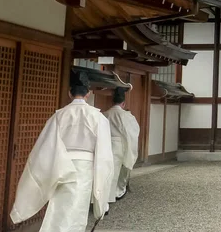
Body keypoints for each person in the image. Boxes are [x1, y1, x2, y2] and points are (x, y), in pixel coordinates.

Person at [10, 69, 114, 232]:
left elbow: (45, 148)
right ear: (88, 94)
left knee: (59, 207)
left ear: (69, 93)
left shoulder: (59, 116)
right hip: (85, 169)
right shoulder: (98, 118)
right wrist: (101, 192)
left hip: (60, 166)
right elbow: (105, 156)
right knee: (78, 210)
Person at [105, 87, 140, 202]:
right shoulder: (127, 116)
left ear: (112, 101)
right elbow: (133, 132)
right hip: (121, 145)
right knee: (121, 171)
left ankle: (105, 197)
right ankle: (118, 192)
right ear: (123, 103)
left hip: (106, 145)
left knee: (108, 172)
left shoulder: (105, 114)